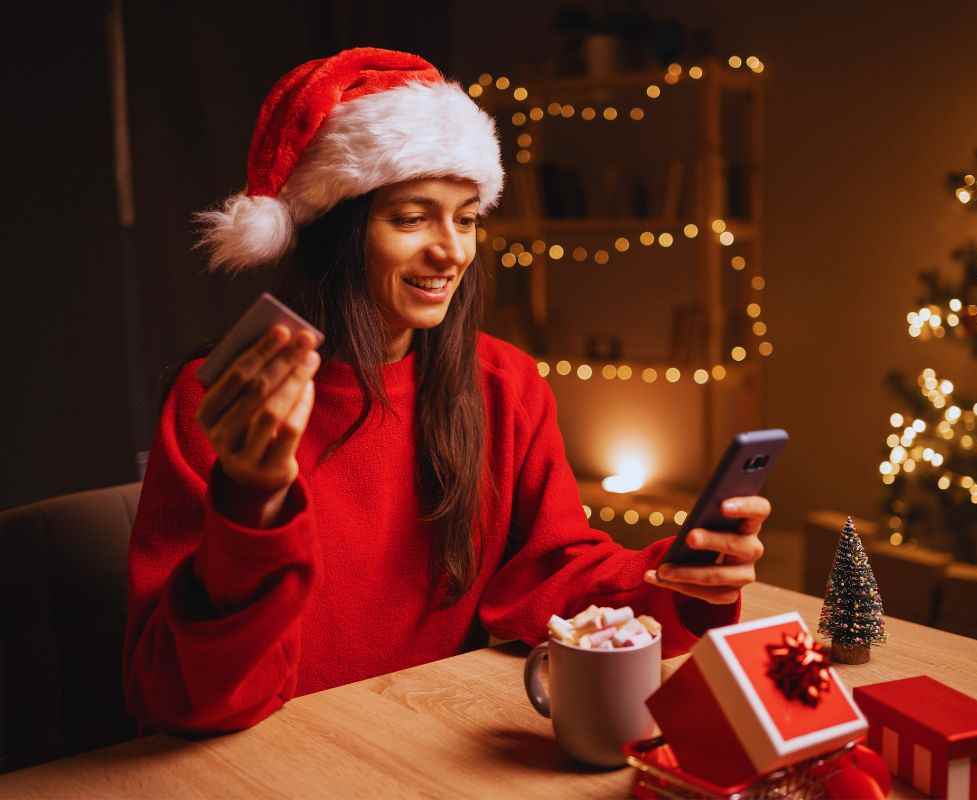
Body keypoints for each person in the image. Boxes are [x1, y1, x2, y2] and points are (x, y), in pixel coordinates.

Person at [123, 48, 773, 735]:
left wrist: (675, 577)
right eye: (411, 218)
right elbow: (178, 695)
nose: (452, 250)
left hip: (431, 743)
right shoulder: (216, 403)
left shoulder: (506, 385)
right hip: (270, 756)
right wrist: (251, 502)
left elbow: (548, 573)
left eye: (465, 218)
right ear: (337, 234)